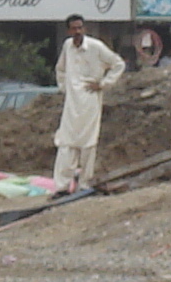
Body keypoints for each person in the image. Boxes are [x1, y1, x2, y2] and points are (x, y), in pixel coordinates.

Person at [52, 14, 126, 192]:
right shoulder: (68, 46)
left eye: (80, 28)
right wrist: (66, 88)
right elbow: (60, 69)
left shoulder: (95, 46)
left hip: (90, 101)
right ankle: (61, 188)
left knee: (87, 144)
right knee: (66, 143)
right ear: (68, 31)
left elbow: (118, 64)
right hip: (72, 103)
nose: (77, 32)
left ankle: (84, 184)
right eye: (74, 29)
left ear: (84, 29)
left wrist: (103, 84)